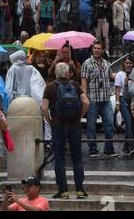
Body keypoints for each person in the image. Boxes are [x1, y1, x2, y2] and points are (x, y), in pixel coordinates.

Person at [43, 61, 89, 200]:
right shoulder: (75, 85)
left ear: (56, 73)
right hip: (74, 125)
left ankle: (63, 191)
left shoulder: (50, 87)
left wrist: (50, 120)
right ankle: (80, 190)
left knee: (59, 158)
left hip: (58, 125)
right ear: (67, 73)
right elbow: (86, 102)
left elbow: (44, 107)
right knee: (77, 157)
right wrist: (80, 115)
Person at [81, 40, 115, 157]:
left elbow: (111, 76)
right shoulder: (87, 63)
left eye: (99, 48)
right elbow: (84, 80)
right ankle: (93, 150)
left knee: (109, 125)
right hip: (93, 98)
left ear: (102, 50)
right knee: (91, 126)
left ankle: (109, 149)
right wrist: (84, 96)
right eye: (95, 48)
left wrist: (122, 75)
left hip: (106, 98)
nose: (97, 50)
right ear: (92, 49)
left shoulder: (106, 63)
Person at [114, 55, 134, 155]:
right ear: (124, 64)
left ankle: (125, 148)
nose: (128, 65)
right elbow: (117, 89)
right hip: (123, 100)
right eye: (126, 63)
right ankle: (131, 146)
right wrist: (117, 102)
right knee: (129, 122)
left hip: (133, 100)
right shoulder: (120, 75)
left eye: (130, 63)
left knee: (130, 124)